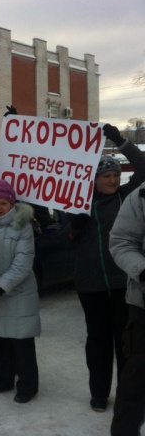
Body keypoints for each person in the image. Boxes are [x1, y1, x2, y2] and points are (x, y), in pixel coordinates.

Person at [69, 123, 145, 412]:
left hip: (123, 282)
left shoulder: (127, 197)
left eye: (116, 175)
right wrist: (73, 227)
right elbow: (63, 241)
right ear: (94, 179)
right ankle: (99, 392)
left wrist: (119, 140)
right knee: (98, 340)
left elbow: (144, 168)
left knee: (125, 343)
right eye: (106, 176)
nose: (113, 180)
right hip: (90, 285)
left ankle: (127, 393)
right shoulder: (76, 204)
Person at [0, 179, 41, 404]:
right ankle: (3, 379)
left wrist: (1, 286)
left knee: (21, 343)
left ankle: (28, 386)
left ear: (12, 203)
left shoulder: (23, 226)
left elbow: (23, 264)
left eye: (3, 203)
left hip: (17, 294)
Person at [109, 182, 145, 436]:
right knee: (135, 383)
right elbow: (121, 242)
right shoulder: (141, 196)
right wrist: (143, 271)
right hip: (143, 305)